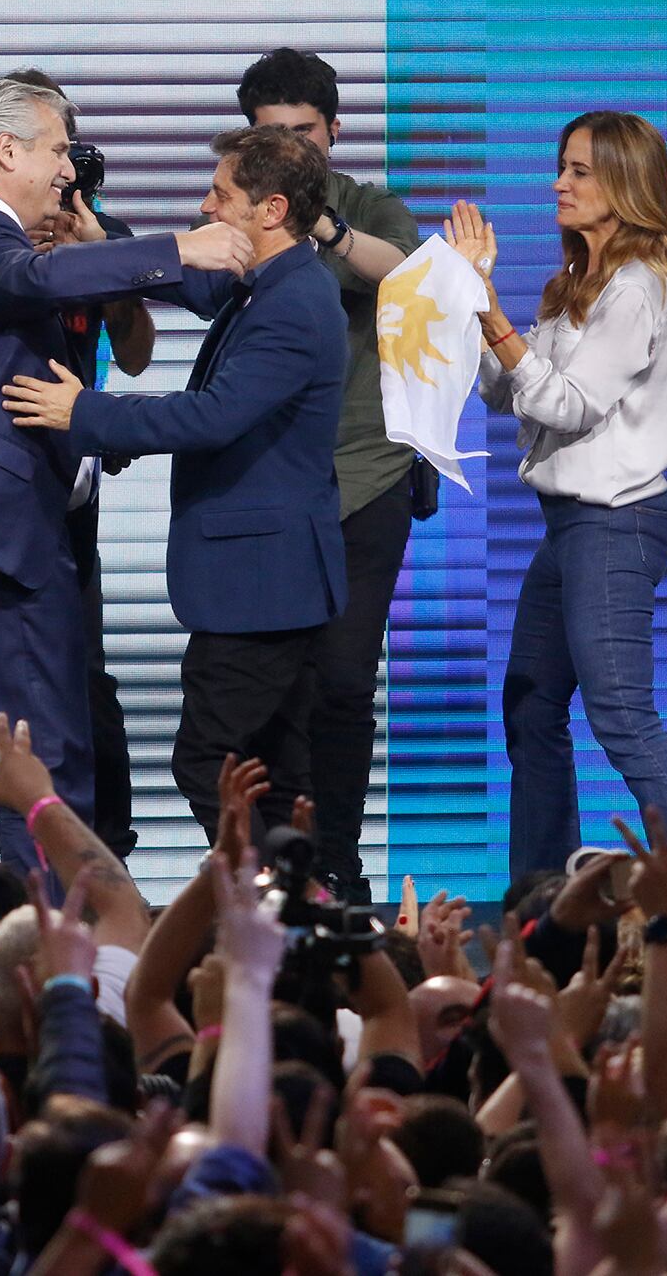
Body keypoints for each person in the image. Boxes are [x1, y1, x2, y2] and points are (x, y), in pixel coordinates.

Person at [0, 76, 251, 878]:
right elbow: (31, 281)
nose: (67, 169)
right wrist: (179, 249)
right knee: (44, 763)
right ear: (6, 151)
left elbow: (70, 305)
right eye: (56, 151)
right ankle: (55, 950)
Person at [2, 125, 349, 838]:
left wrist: (84, 413)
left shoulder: (294, 303)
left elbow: (213, 417)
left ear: (272, 210)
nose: (205, 208)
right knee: (276, 777)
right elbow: (188, 278)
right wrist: (101, 242)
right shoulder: (270, 278)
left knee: (208, 762)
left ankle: (255, 893)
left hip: (262, 585)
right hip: (269, 581)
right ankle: (295, 901)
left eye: (221, 195)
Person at [445, 112, 667, 879]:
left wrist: (490, 310)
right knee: (532, 703)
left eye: (579, 171)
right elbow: (512, 393)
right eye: (561, 167)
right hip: (568, 527)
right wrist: (470, 306)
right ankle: (544, 896)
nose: (558, 184)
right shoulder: (576, 284)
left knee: (623, 716)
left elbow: (569, 404)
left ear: (625, 183)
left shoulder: (638, 288)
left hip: (614, 524)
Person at [235, 46, 421, 902]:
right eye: (270, 135)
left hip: (365, 475)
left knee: (344, 682)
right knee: (274, 688)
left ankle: (340, 864)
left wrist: (318, 223)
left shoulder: (370, 206)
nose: (289, 150)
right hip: (270, 484)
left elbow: (409, 278)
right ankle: (280, 869)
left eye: (303, 133)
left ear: (335, 131)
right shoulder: (237, 212)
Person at [3, 67, 157, 863]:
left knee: (85, 673)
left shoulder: (102, 236)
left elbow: (135, 356)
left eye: (70, 151)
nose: (63, 172)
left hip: (71, 491)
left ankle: (110, 849)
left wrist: (105, 268)